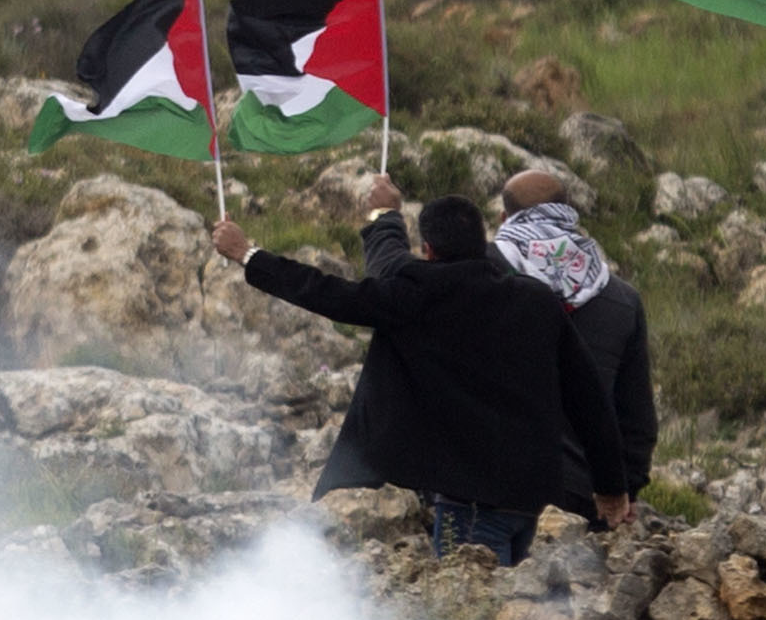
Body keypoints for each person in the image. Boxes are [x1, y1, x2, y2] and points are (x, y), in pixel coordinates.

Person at [206, 186, 624, 563]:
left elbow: (326, 292)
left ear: (427, 249)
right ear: (484, 241)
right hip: (532, 501)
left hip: (469, 504)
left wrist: (248, 255)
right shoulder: (536, 300)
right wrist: (610, 486)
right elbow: (588, 398)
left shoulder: (415, 296)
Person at [490, 163, 659, 510]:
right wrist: (623, 490)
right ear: (569, 216)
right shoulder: (621, 299)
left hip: (492, 486)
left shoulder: (483, 278)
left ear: (503, 218)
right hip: (585, 498)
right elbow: (636, 418)